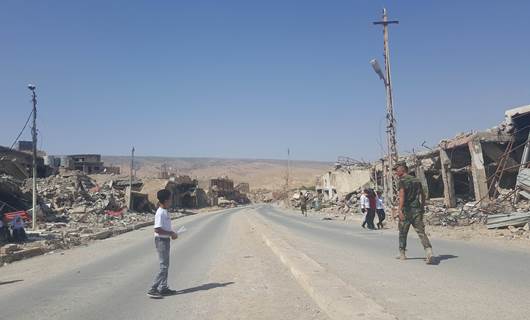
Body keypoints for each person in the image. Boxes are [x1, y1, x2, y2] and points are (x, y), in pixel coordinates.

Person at [394, 163, 434, 264]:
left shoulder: (402, 181)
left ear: (402, 170)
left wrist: (399, 210)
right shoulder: (417, 180)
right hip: (417, 209)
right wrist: (422, 206)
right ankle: (428, 251)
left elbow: (402, 196)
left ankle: (402, 253)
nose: (396, 172)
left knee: (403, 232)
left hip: (406, 210)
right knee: (421, 232)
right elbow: (423, 195)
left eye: (397, 170)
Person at [147, 189, 179, 298]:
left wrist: (171, 234)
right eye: (170, 199)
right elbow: (157, 229)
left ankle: (163, 287)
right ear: (165, 200)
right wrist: (171, 233)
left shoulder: (165, 211)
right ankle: (153, 288)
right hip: (161, 240)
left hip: (165, 240)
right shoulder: (160, 213)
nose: (171, 201)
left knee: (166, 265)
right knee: (163, 267)